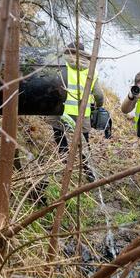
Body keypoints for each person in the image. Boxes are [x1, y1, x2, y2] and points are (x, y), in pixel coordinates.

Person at [48, 41, 104, 182]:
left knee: (60, 137)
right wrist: (98, 106)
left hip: (59, 110)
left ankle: (65, 163)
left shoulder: (60, 65)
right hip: (81, 114)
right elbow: (98, 95)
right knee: (83, 143)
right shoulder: (91, 71)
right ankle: (88, 171)